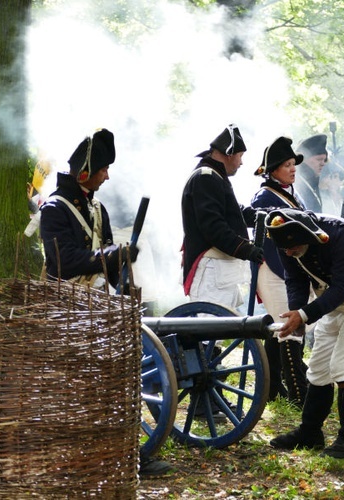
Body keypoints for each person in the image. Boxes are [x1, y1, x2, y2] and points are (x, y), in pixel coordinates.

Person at [39, 128, 173, 478]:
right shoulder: (55, 209)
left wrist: (124, 286)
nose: (108, 175)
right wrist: (116, 253)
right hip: (69, 308)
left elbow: (111, 262)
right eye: (102, 170)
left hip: (101, 303)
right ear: (84, 172)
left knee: (120, 384)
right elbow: (65, 261)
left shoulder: (97, 207)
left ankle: (130, 455)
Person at [267, 208, 344, 459]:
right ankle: (310, 432)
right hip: (331, 302)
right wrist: (297, 312)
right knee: (318, 370)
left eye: (292, 248)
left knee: (343, 368)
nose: (289, 253)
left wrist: (304, 315)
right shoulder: (287, 244)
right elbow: (295, 280)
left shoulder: (341, 234)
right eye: (285, 250)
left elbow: (342, 286)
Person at [251, 136, 308, 406]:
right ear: (273, 170)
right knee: (287, 324)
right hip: (274, 268)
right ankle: (297, 389)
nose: (293, 168)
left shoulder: (291, 195)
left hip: (288, 268)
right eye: (287, 165)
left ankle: (272, 386)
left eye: (293, 164)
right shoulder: (264, 197)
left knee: (279, 325)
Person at [181, 123, 264, 309]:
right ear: (229, 153)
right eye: (240, 156)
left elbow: (231, 210)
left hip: (218, 269)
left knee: (220, 329)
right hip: (211, 269)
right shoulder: (206, 177)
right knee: (210, 331)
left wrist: (262, 216)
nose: (241, 162)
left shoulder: (213, 176)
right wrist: (246, 249)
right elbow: (213, 226)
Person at [294, 134, 329, 212]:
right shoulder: (297, 182)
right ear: (304, 159)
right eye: (319, 159)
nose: (323, 163)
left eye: (324, 160)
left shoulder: (313, 182)